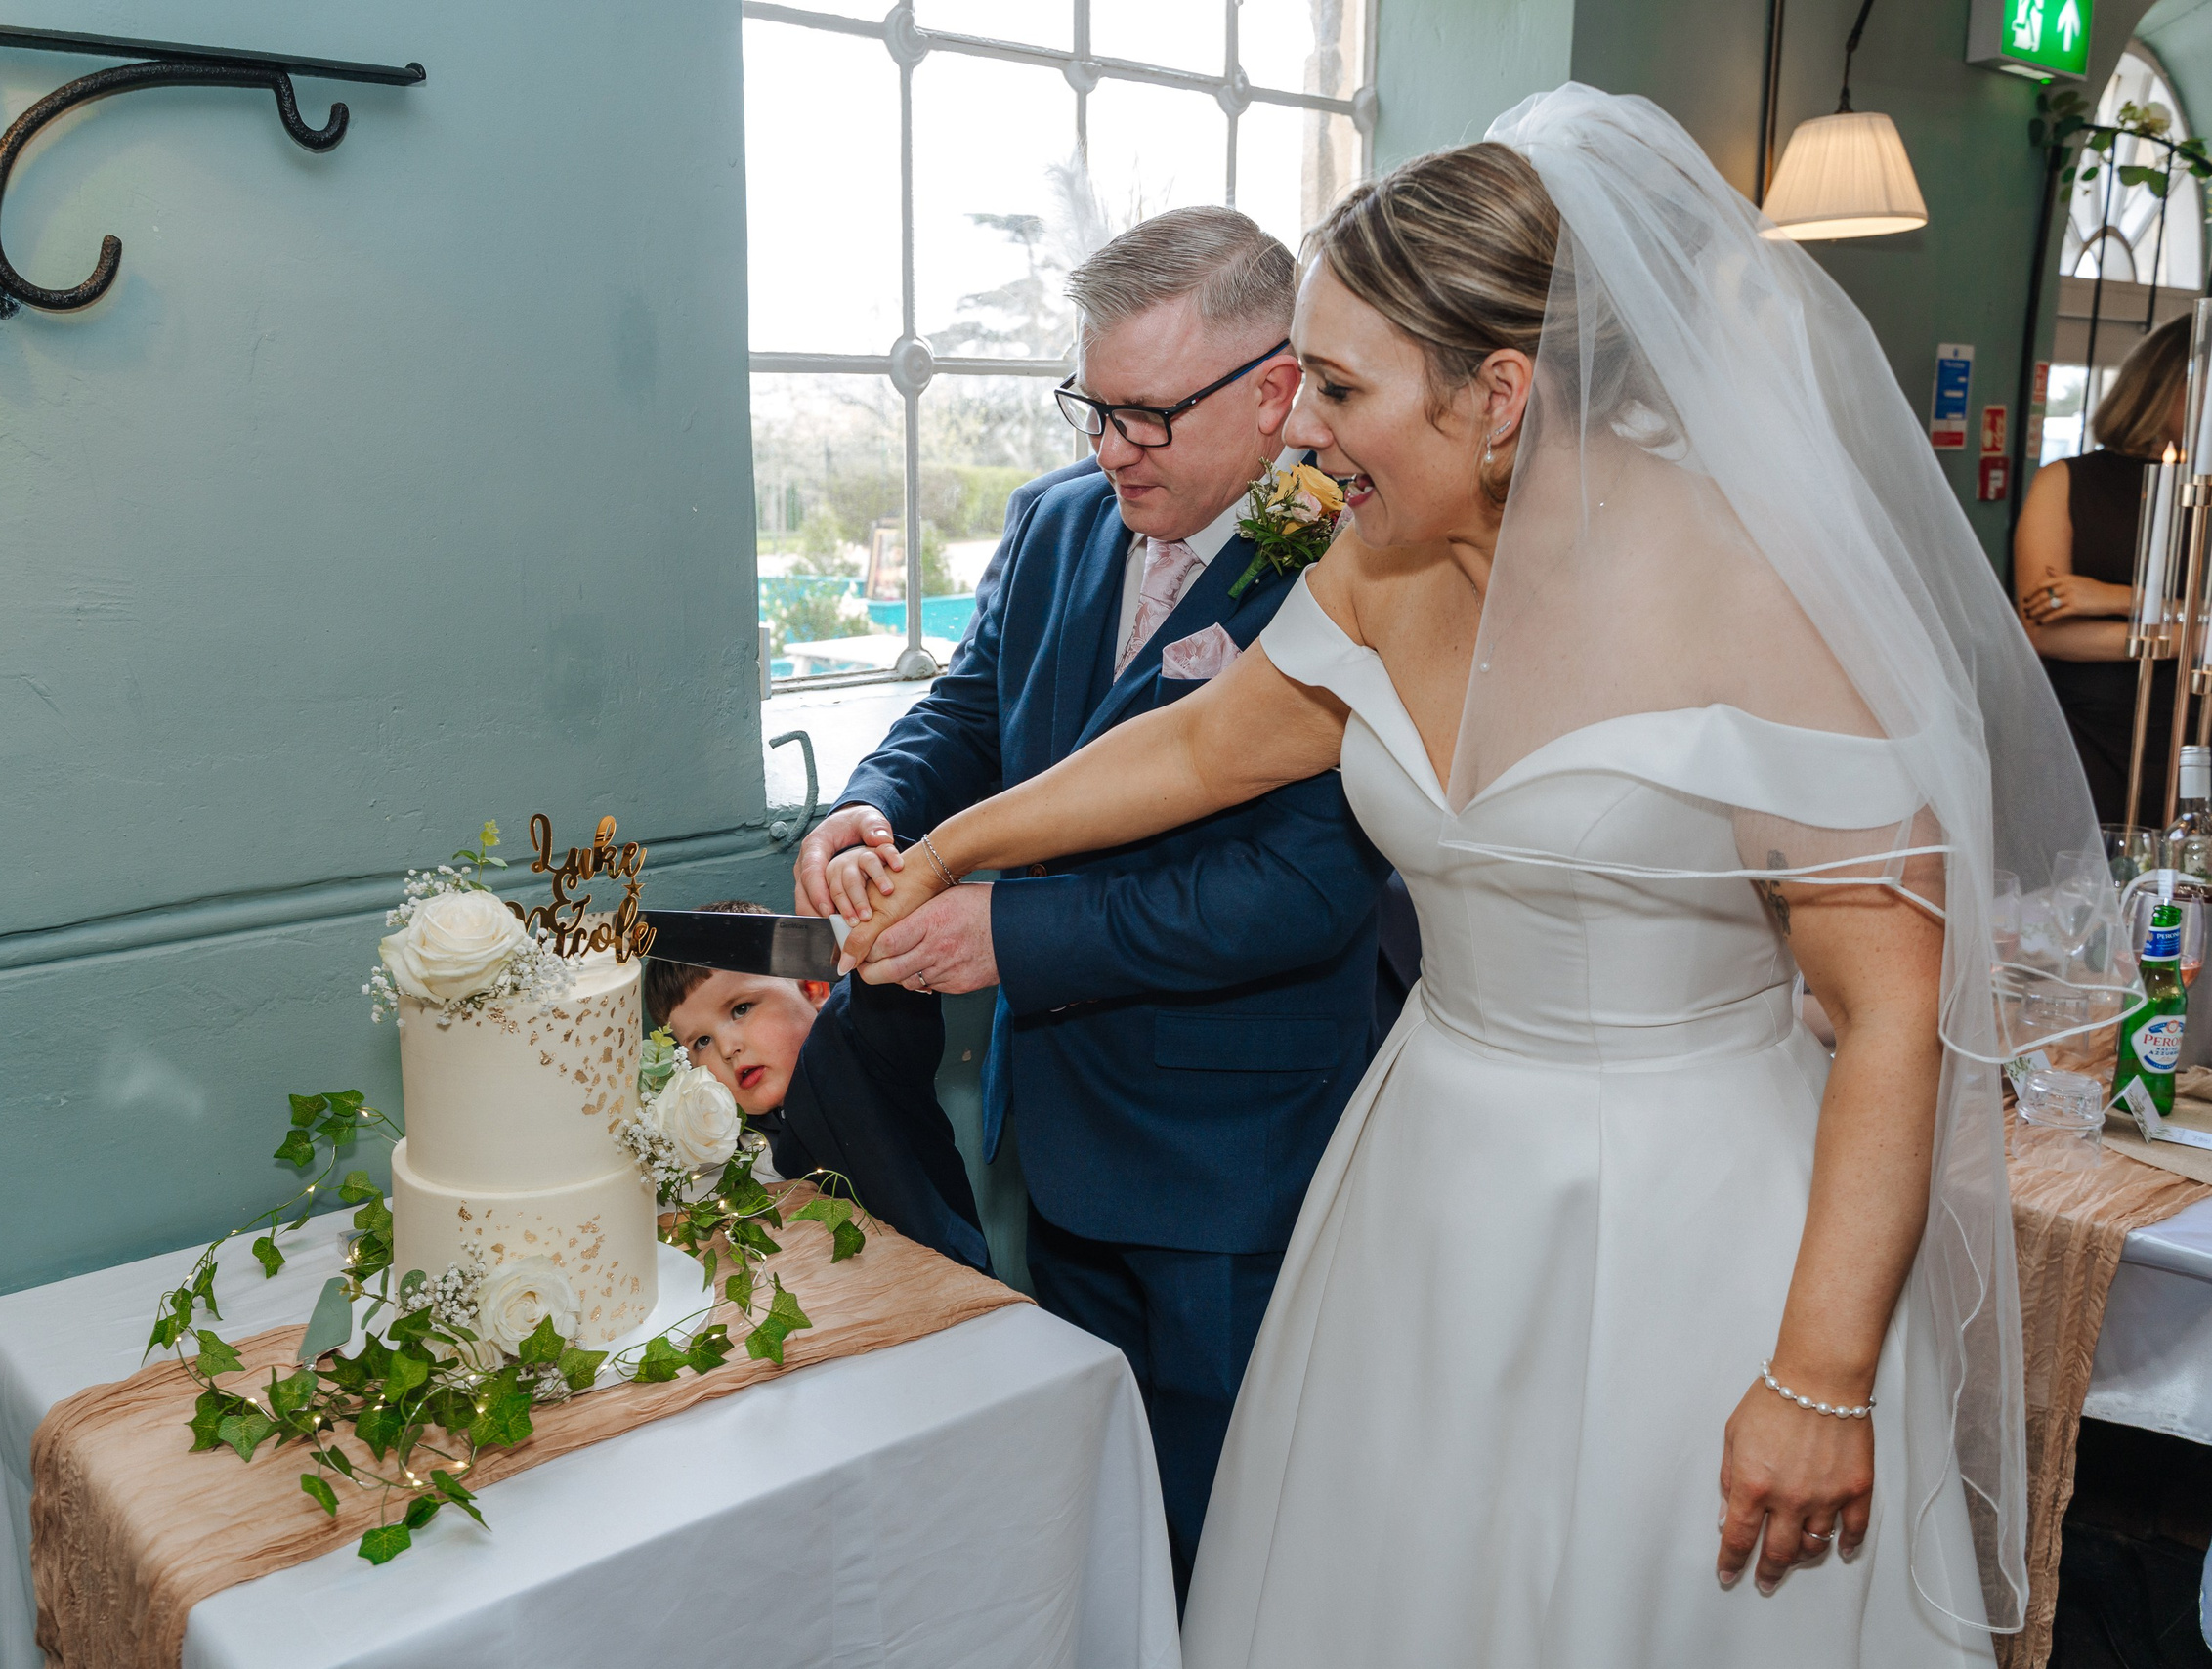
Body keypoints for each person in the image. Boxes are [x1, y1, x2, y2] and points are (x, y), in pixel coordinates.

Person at [840, 86, 2089, 1664]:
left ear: (1497, 393)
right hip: (1427, 1184)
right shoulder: (1377, 565)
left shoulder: (1763, 599)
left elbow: (1893, 1010)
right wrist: (950, 843)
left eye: (1340, 386)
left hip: (1687, 1214)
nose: (1301, 429)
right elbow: (1204, 747)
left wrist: (1823, 1373)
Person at [793, 207, 1407, 1595]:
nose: (1113, 448)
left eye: (1149, 416)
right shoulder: (1057, 520)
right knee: (1098, 1524)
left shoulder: (1353, 565)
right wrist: (870, 804)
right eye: (1094, 407)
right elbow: (970, 712)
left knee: (1226, 1541)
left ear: (1276, 391)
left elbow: (1299, 888)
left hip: (1232, 1153)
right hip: (1055, 1133)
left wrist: (1005, 934)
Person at [645, 900, 988, 1273]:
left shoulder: (856, 1041)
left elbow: (887, 965)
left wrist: (859, 907)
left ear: (811, 988)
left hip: (947, 1284)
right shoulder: (722, 1133)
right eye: (702, 1042)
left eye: (741, 1008)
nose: (727, 1049)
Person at [2016, 316, 2190, 825]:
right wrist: (2189, 632)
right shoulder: (2065, 482)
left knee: (2178, 871)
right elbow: (2044, 633)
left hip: (2190, 733)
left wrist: (2112, 598)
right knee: (2087, 864)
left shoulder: (2200, 495)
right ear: (2162, 386)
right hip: (2084, 735)